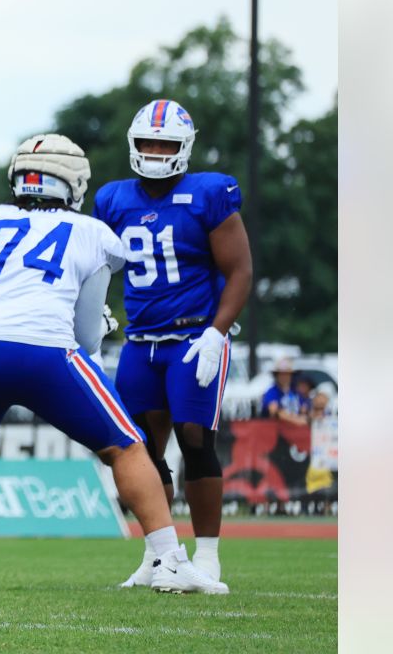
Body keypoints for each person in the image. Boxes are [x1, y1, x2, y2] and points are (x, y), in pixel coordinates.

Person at [0, 134, 225, 595]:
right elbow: (84, 337)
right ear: (72, 183)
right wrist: (100, 325)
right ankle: (170, 560)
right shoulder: (93, 234)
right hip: (45, 350)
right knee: (128, 446)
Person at [92, 99, 252, 587]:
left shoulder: (209, 193)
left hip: (193, 336)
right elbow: (98, 265)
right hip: (140, 341)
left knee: (196, 439)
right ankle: (160, 555)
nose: (155, 152)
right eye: (147, 143)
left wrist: (216, 332)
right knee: (139, 449)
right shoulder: (114, 198)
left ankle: (207, 555)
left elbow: (239, 270)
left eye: (165, 144)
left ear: (184, 148)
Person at [263, 357, 306, 424]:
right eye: (281, 374)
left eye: (287, 374)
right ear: (276, 376)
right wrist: (296, 420)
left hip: (296, 430)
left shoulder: (295, 391)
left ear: (291, 375)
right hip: (279, 430)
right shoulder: (272, 392)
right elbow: (273, 410)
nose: (284, 377)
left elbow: (304, 408)